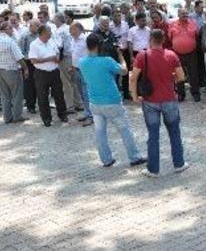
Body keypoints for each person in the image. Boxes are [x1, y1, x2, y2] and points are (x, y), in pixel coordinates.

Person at [78, 33, 147, 168]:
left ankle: (106, 159)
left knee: (100, 133)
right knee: (124, 129)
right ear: (99, 45)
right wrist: (121, 56)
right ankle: (134, 157)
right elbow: (124, 71)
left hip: (94, 102)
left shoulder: (82, 62)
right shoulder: (107, 61)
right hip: (111, 101)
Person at [130, 29, 188, 178]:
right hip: (169, 98)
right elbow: (181, 77)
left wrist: (134, 96)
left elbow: (133, 78)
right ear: (163, 40)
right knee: (174, 133)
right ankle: (179, 164)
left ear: (150, 39)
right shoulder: (171, 55)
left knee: (153, 135)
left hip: (150, 101)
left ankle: (153, 169)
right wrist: (171, 78)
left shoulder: (142, 55)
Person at [0, 22, 28, 124]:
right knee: (17, 94)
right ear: (6, 29)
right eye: (11, 28)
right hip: (12, 70)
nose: (12, 30)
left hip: (0, 70)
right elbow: (19, 58)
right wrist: (25, 68)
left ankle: (7, 117)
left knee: (5, 95)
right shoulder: (10, 41)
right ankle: (17, 116)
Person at [29, 25, 68, 127]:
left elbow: (57, 53)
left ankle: (62, 114)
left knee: (59, 94)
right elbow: (33, 60)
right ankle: (46, 118)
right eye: (49, 32)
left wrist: (57, 58)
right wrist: (48, 59)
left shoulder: (51, 41)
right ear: (43, 33)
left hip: (54, 71)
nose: (51, 33)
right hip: (41, 73)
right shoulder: (34, 44)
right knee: (42, 97)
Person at [168, 8, 200, 102]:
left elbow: (197, 36)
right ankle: (181, 94)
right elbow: (170, 38)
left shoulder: (193, 24)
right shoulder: (172, 24)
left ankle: (196, 93)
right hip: (177, 53)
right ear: (178, 14)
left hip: (191, 53)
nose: (185, 15)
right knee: (179, 74)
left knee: (193, 74)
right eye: (183, 13)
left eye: (186, 13)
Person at [69, 22, 92, 126]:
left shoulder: (86, 39)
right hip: (77, 69)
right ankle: (87, 112)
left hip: (85, 70)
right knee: (81, 93)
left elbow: (92, 53)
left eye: (72, 29)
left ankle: (91, 115)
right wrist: (72, 67)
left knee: (86, 93)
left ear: (78, 29)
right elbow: (74, 55)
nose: (70, 31)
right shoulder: (72, 40)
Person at [18, 19, 40, 113]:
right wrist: (24, 66)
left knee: (39, 84)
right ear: (31, 26)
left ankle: (39, 103)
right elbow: (20, 51)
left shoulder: (39, 35)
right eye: (37, 26)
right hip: (28, 62)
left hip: (39, 62)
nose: (39, 27)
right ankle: (30, 105)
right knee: (29, 85)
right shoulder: (25, 36)